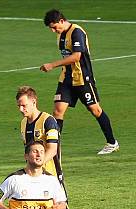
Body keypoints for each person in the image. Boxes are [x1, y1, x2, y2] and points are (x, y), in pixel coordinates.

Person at [16, 86, 88, 209]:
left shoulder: (48, 121)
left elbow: (53, 149)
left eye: (24, 105)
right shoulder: (23, 124)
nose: (21, 110)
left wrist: (39, 165)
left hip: (51, 180)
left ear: (34, 101)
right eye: (19, 106)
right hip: (33, 180)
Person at [40, 9, 120, 155]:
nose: (53, 30)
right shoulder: (60, 35)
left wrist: (52, 65)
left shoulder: (77, 32)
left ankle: (112, 142)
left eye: (54, 27)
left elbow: (76, 56)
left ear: (62, 21)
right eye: (51, 28)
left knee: (95, 110)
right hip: (66, 78)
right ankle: (54, 149)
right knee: (57, 111)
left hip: (83, 79)